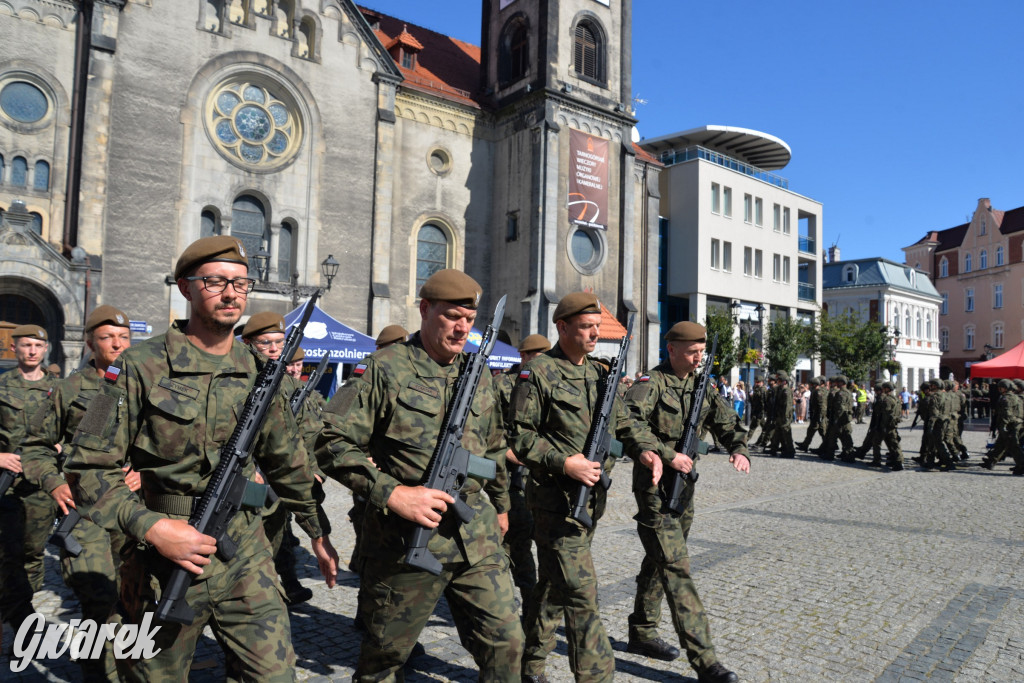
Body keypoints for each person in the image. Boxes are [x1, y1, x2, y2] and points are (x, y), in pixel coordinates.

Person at [63, 235, 338, 680]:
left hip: (244, 553)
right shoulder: (137, 366)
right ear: (186, 288)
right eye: (214, 281)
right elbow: (86, 467)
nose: (231, 293)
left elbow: (288, 463)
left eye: (241, 283)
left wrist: (317, 532)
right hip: (162, 555)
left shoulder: (260, 371)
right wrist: (152, 527)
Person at [315, 269, 524, 681]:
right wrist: (392, 493)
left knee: (507, 643)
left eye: (469, 317)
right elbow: (329, 441)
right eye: (451, 315)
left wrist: (501, 508)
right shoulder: (385, 368)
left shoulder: (478, 373)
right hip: (405, 543)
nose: (462, 326)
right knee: (384, 661)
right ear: (425, 310)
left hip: (475, 541)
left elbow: (495, 448)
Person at [508, 291, 666, 682]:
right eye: (586, 327)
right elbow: (520, 437)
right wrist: (565, 461)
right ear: (562, 327)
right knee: (581, 592)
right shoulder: (539, 372)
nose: (595, 334)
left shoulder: (599, 373)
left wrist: (645, 449)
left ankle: (528, 665)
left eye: (598, 327)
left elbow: (625, 423)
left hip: (589, 504)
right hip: (553, 504)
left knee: (551, 588)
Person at [21, 306, 141, 681]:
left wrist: (144, 472)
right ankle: (98, 674)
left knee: (134, 597)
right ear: (90, 343)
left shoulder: (140, 383)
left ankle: (129, 668)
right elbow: (37, 446)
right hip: (86, 510)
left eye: (123, 338)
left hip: (133, 509)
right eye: (107, 338)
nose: (117, 344)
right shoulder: (72, 389)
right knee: (99, 598)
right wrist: (54, 483)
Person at [623, 321, 746, 683]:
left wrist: (739, 448)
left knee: (659, 560)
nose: (698, 358)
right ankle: (705, 660)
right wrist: (664, 452)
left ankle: (643, 631)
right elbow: (628, 423)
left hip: (685, 488)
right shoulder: (651, 384)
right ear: (672, 349)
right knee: (676, 567)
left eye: (701, 352)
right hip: (655, 486)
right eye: (691, 352)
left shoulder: (702, 384)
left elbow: (727, 422)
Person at [240, 311, 330, 608]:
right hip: (237, 488)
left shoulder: (292, 387)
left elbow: (310, 435)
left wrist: (315, 470)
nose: (275, 349)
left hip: (275, 488)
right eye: (266, 342)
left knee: (277, 541)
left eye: (280, 342)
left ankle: (281, 589)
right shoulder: (235, 380)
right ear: (248, 343)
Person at [0, 324, 60, 637]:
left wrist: (63, 445)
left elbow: (82, 430)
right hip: (7, 486)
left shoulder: (60, 388)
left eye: (38, 345)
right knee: (7, 553)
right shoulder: (2, 385)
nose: (32, 351)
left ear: (46, 348)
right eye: (25, 345)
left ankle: (22, 604)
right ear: (15, 349)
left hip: (41, 488)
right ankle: (20, 617)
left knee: (34, 554)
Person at [493, 333, 551, 600]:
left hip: (540, 482)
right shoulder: (501, 385)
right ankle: (505, 603)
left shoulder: (550, 385)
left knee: (531, 545)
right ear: (523, 357)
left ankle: (532, 603)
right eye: (537, 358)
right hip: (506, 480)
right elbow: (485, 432)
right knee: (507, 545)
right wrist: (507, 450)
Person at [768, 371, 795, 458]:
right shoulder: (781, 389)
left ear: (784, 381)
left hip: (784, 416)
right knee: (777, 433)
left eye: (779, 380)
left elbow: (787, 405)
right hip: (779, 415)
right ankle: (773, 449)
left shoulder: (786, 391)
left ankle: (790, 452)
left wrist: (786, 417)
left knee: (787, 434)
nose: (777, 382)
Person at [797, 377, 827, 452]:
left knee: (823, 432)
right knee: (811, 430)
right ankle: (805, 445)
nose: (809, 385)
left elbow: (821, 405)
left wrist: (820, 416)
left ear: (814, 384)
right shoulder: (815, 391)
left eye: (811, 384)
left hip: (819, 416)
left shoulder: (819, 392)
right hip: (815, 415)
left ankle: (828, 447)